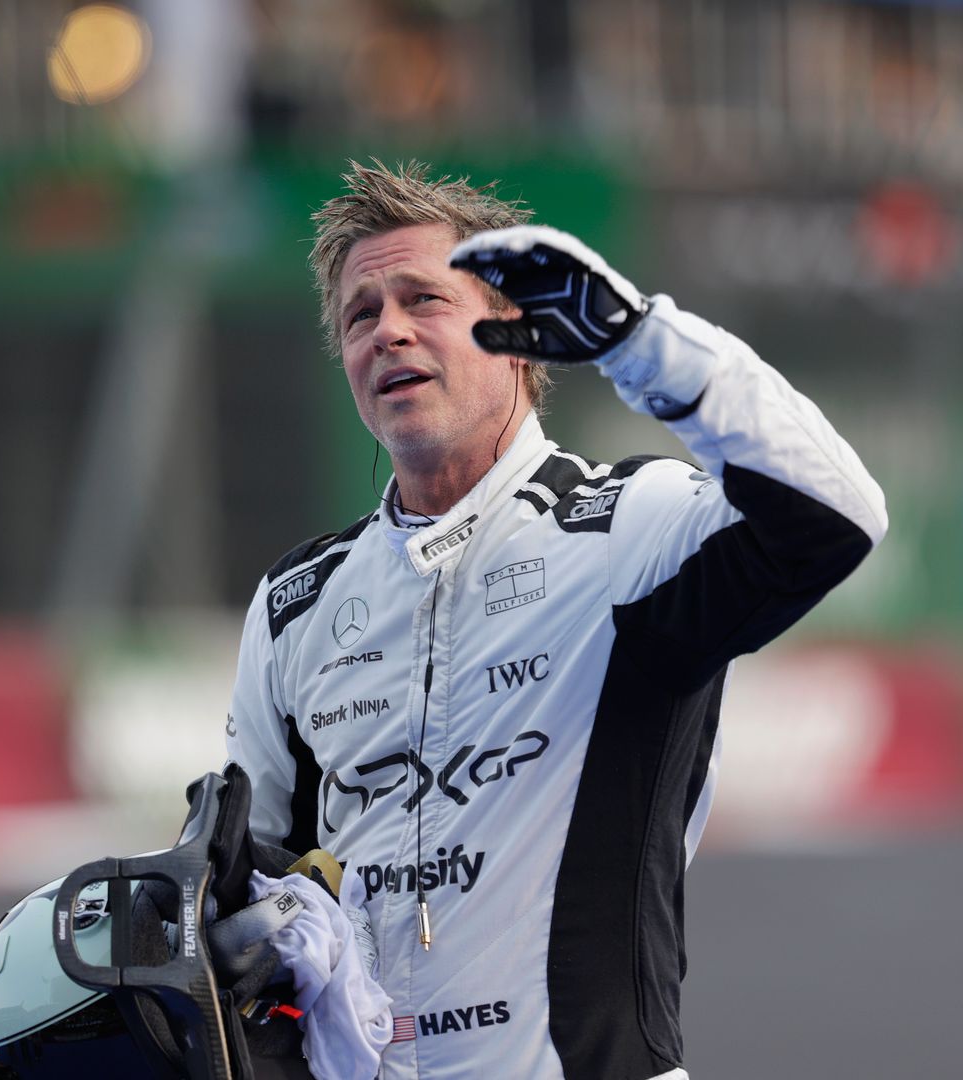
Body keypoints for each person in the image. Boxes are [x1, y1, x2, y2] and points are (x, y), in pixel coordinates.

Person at [225, 160, 887, 1080]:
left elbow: (840, 513)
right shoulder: (296, 603)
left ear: (521, 341)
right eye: (360, 315)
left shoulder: (630, 526)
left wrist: (641, 344)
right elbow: (250, 869)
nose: (390, 331)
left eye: (424, 297)